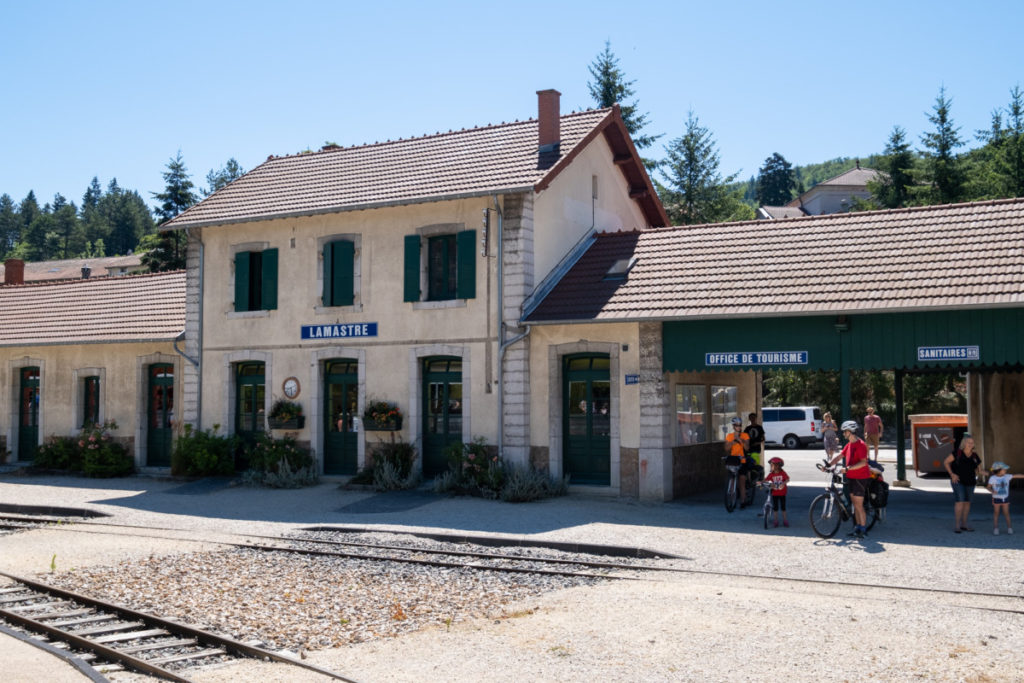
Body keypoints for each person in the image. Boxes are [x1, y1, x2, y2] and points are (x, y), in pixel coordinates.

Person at [829, 420, 871, 537]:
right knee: (855, 504)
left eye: (844, 432)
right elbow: (839, 456)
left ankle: (863, 529)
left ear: (850, 432)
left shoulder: (861, 445)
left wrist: (847, 469)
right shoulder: (849, 445)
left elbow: (863, 463)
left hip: (860, 478)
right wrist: (828, 465)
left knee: (858, 505)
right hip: (852, 477)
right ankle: (857, 527)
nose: (843, 434)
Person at [944, 434, 982, 533]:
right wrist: (952, 474)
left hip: (971, 481)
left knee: (967, 502)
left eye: (972, 443)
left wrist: (994, 473)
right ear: (964, 443)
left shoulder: (975, 455)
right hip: (958, 481)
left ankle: (964, 524)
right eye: (969, 442)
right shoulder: (957, 453)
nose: (971, 444)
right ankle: (957, 526)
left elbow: (979, 470)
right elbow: (946, 462)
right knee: (960, 501)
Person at [986, 461, 1023, 535]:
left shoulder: (1007, 476)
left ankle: (1010, 528)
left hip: (1005, 498)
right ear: (999, 470)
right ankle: (996, 528)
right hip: (996, 499)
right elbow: (988, 487)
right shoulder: (992, 478)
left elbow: (1016, 476)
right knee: (996, 513)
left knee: (1006, 513)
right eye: (1004, 469)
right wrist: (992, 491)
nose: (1006, 470)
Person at [724, 416, 751, 506]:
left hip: (742, 461)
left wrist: (741, 440)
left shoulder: (745, 435)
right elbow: (726, 449)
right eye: (736, 425)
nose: (738, 427)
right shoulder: (729, 436)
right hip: (733, 461)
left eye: (740, 425)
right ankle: (732, 500)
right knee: (731, 481)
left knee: (742, 481)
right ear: (733, 426)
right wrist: (733, 442)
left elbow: (747, 448)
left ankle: (743, 501)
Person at [764, 456, 790, 527]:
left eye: (773, 465)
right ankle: (776, 520)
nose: (772, 467)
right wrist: (761, 482)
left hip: (782, 493)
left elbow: (787, 479)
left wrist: (783, 483)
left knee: (783, 507)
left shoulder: (782, 473)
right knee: (775, 508)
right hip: (775, 493)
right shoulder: (771, 474)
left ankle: (785, 520)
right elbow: (766, 480)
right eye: (771, 465)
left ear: (778, 466)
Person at [745, 413, 766, 480]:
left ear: (756, 418)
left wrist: (758, 443)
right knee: (748, 464)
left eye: (754, 417)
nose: (753, 419)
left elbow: (763, 438)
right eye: (751, 418)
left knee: (755, 464)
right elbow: (744, 437)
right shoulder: (747, 428)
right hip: (748, 449)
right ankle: (749, 479)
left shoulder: (759, 427)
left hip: (756, 449)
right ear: (749, 419)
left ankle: (756, 478)